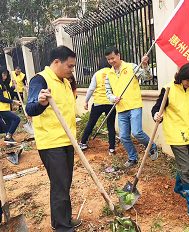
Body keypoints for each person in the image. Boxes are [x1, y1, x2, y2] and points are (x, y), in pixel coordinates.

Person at [26, 46, 81, 231]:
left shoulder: (65, 81)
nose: (71, 70)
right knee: (59, 185)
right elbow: (30, 108)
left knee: (65, 183)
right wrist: (40, 102)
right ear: (57, 62)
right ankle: (62, 227)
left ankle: (64, 219)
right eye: (70, 66)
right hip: (51, 143)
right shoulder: (40, 80)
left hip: (67, 141)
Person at [151, 62, 189, 222]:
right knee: (187, 169)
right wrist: (156, 116)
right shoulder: (168, 89)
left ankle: (178, 186)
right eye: (188, 80)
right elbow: (156, 108)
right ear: (182, 76)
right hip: (175, 134)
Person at [105, 46, 158, 168]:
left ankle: (152, 147)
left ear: (118, 55)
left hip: (134, 105)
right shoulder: (109, 74)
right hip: (121, 108)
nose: (111, 61)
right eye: (108, 59)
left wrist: (145, 65)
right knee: (123, 136)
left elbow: (147, 78)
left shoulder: (132, 67)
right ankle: (132, 158)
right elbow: (108, 93)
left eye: (113, 58)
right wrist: (113, 98)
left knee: (137, 132)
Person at [79, 57, 116, 155]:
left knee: (91, 123)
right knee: (110, 126)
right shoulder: (113, 72)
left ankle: (83, 143)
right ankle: (111, 148)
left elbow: (91, 89)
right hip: (111, 103)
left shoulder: (97, 74)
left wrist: (86, 101)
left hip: (98, 102)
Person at [0, 70, 21, 144]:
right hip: (2, 108)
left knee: (8, 125)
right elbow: (1, 98)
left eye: (6, 75)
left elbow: (9, 93)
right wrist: (13, 101)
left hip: (6, 107)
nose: (5, 76)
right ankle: (8, 137)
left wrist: (13, 86)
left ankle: (9, 142)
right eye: (3, 74)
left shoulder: (4, 84)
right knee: (16, 119)